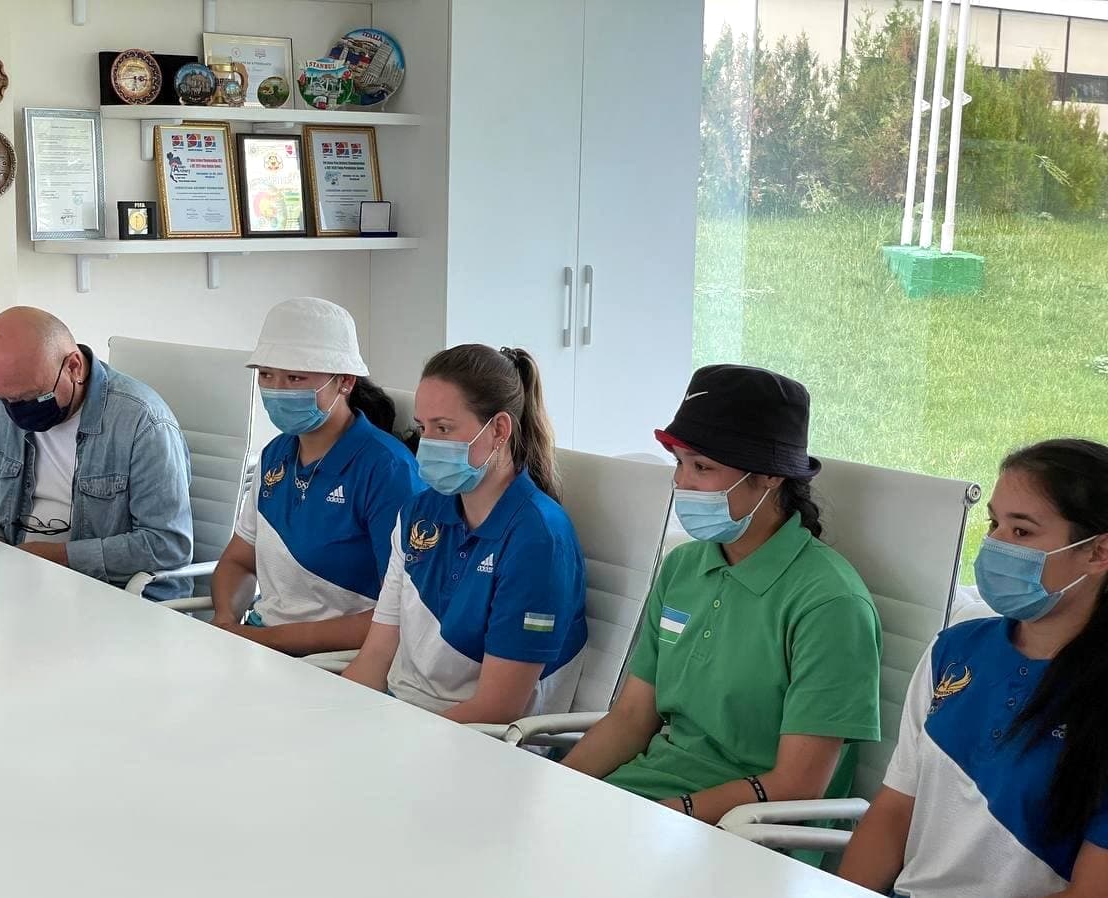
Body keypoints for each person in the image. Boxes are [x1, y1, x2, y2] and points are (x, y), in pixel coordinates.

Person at [561, 364, 882, 824]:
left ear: (770, 476)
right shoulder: (683, 567)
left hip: (746, 832)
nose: (681, 482)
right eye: (679, 463)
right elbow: (631, 718)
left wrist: (667, 817)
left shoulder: (831, 603)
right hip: (645, 802)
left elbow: (797, 784)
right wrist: (559, 788)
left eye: (702, 467)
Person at [839, 439, 1108, 898]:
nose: (995, 544)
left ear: (1098, 552)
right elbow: (895, 811)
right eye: (994, 523)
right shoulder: (955, 650)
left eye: (1021, 532)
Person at [342, 344, 587, 724]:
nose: (426, 445)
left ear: (499, 430)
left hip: (480, 741)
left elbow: (497, 709)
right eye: (423, 428)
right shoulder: (418, 513)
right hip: (399, 717)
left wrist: (393, 739)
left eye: (443, 428)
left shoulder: (538, 539)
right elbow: (375, 657)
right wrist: (335, 717)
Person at [210, 297, 422, 655]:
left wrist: (263, 640)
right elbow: (239, 560)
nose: (277, 390)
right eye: (266, 374)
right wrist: (225, 620)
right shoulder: (276, 454)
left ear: (345, 381)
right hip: (262, 646)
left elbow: (402, 613)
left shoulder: (387, 470)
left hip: (333, 662)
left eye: (295, 377)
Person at [0, 307, 193, 600]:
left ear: (73, 367)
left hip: (113, 595)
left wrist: (61, 557)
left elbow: (168, 545)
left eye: (30, 398)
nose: (15, 409)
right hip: (20, 585)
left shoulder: (143, 422)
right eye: (5, 399)